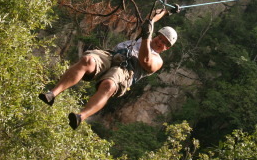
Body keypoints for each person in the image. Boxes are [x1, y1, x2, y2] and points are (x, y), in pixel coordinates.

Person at [38, 9, 177, 129]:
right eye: (160, 38)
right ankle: (52, 94)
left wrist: (147, 35)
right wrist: (166, 11)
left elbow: (145, 60)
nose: (160, 42)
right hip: (112, 56)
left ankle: (81, 116)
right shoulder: (144, 37)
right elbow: (152, 17)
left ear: (167, 48)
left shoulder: (158, 60)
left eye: (164, 43)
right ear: (157, 35)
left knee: (109, 85)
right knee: (88, 60)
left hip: (126, 71)